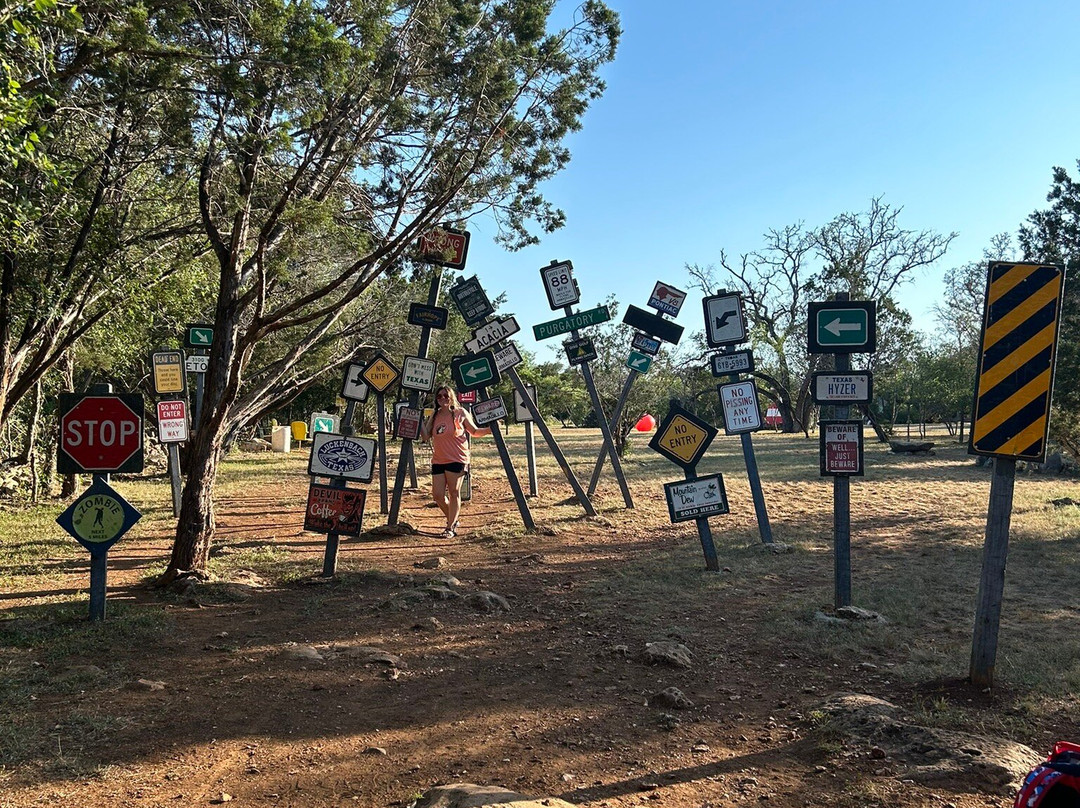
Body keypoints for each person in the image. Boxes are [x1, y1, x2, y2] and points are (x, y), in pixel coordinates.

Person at [420, 386, 490, 537]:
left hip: (457, 458)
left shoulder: (460, 413)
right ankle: (453, 519)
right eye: (439, 396)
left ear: (451, 397)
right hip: (438, 459)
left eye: (446, 395)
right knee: (437, 495)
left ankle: (450, 527)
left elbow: (474, 431)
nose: (443, 398)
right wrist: (416, 420)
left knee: (453, 492)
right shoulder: (435, 415)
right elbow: (425, 437)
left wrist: (491, 429)